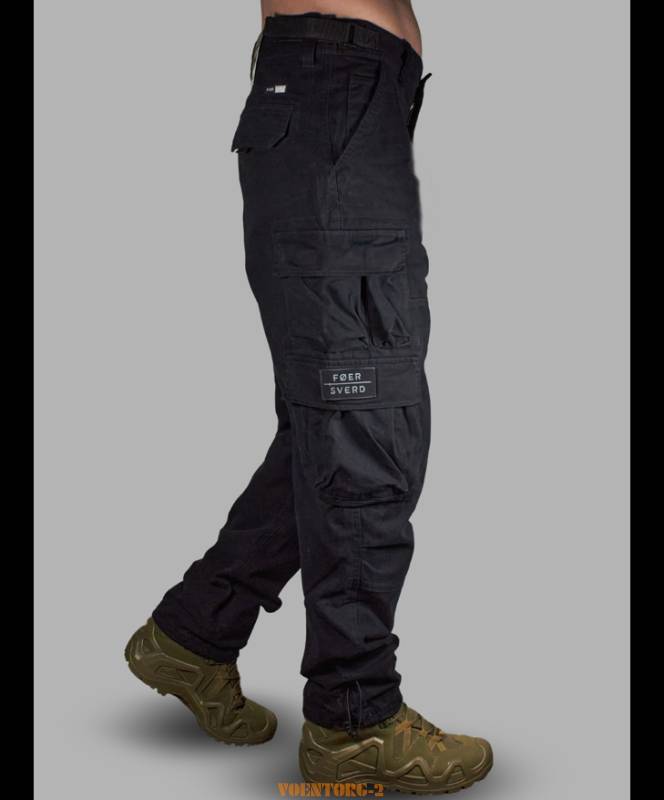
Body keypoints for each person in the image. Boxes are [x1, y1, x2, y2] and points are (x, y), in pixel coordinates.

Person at [125, 1, 493, 793]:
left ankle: (194, 632)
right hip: (336, 96)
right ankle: (352, 721)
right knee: (365, 435)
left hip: (353, 102)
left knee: (331, 427)